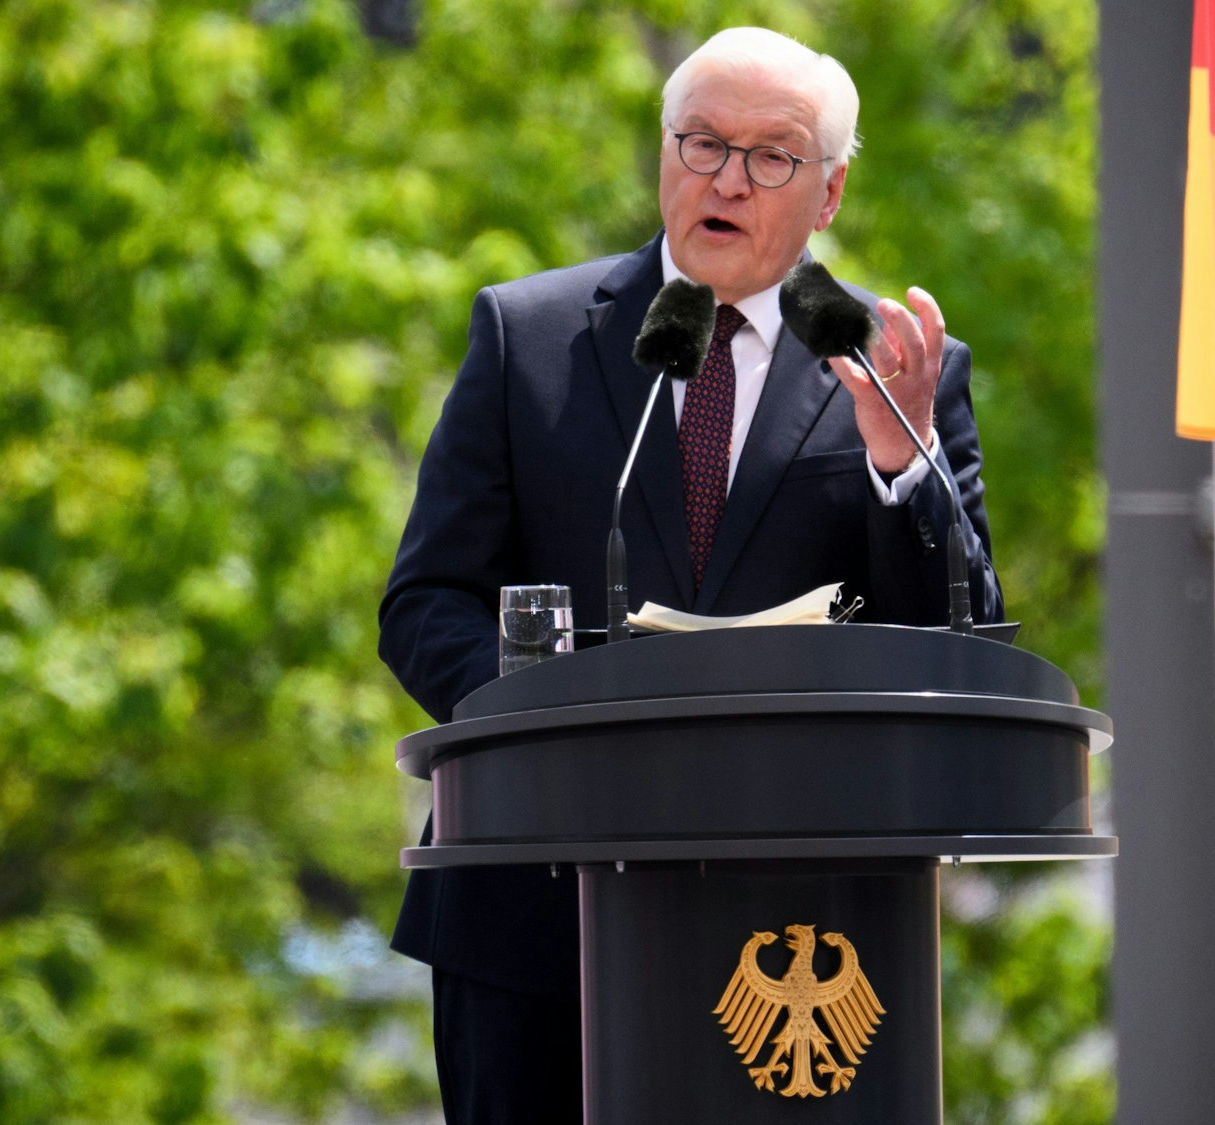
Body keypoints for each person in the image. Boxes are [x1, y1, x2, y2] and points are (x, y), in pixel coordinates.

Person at [375, 27, 1001, 1123]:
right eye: (702, 144)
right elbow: (426, 603)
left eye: (771, 156)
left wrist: (898, 460)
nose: (727, 179)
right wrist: (540, 732)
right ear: (662, 156)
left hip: (804, 937)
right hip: (531, 916)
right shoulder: (530, 337)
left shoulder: (897, 368)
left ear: (829, 190)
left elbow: (960, 637)